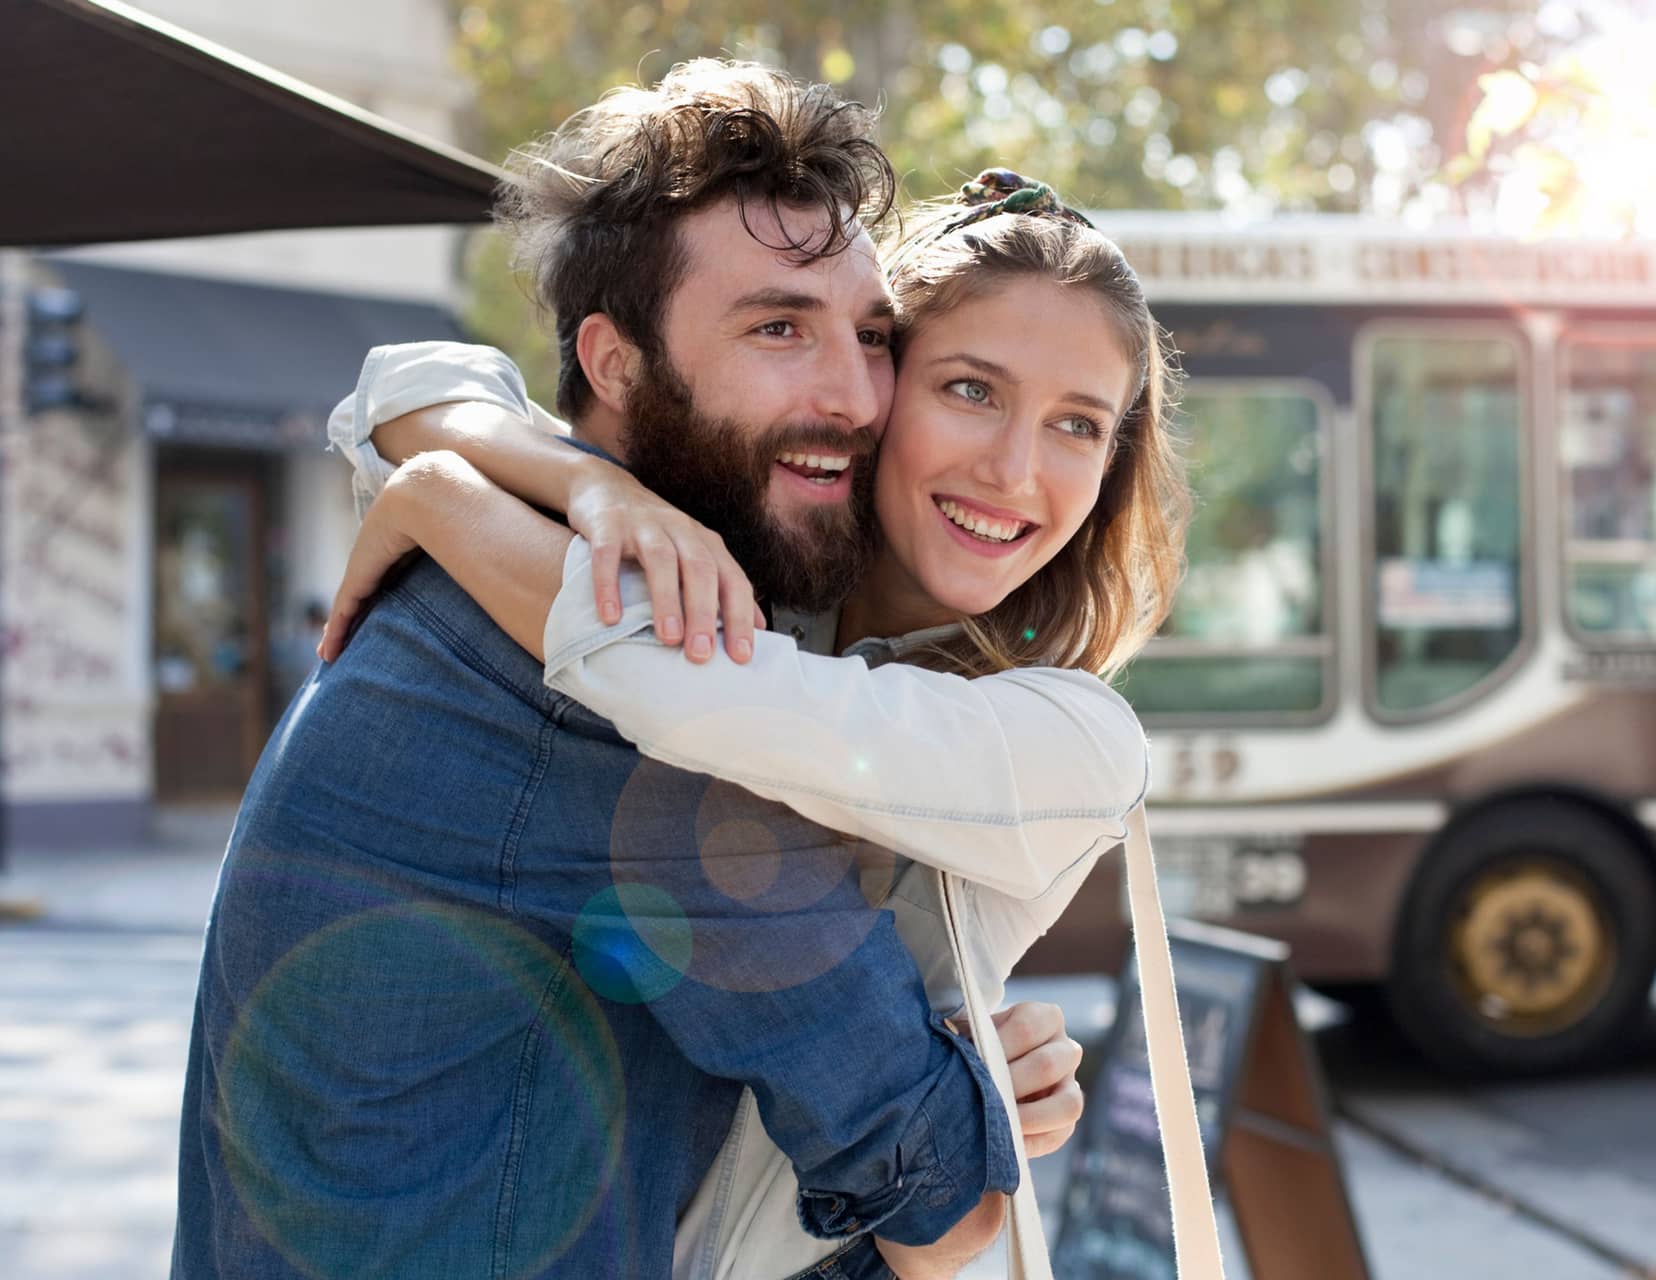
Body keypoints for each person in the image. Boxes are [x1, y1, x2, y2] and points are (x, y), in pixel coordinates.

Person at [172, 63, 1111, 1280]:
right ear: (614, 365)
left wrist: (495, 479)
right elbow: (943, 1211)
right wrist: (983, 1091)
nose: (852, 394)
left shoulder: (504, 578)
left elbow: (422, 389)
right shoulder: (633, 715)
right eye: (779, 327)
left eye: (870, 338)